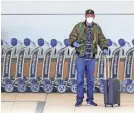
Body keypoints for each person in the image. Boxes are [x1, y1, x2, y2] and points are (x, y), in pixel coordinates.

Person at [69, 9, 108, 107]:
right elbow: (71, 37)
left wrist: (105, 47)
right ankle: (79, 99)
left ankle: (90, 100)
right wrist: (73, 43)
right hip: (80, 58)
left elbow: (102, 39)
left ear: (94, 17)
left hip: (91, 58)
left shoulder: (97, 28)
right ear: (85, 16)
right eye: (88, 16)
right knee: (79, 80)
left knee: (90, 80)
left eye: (91, 16)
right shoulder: (79, 26)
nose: (89, 17)